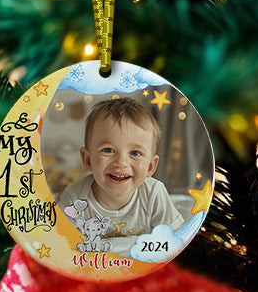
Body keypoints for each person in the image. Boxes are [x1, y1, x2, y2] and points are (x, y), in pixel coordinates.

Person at [57, 96, 186, 252]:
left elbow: (176, 241)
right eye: (108, 150)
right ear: (88, 159)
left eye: (135, 153)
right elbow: (62, 247)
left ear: (150, 167)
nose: (121, 162)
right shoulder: (75, 198)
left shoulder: (154, 193)